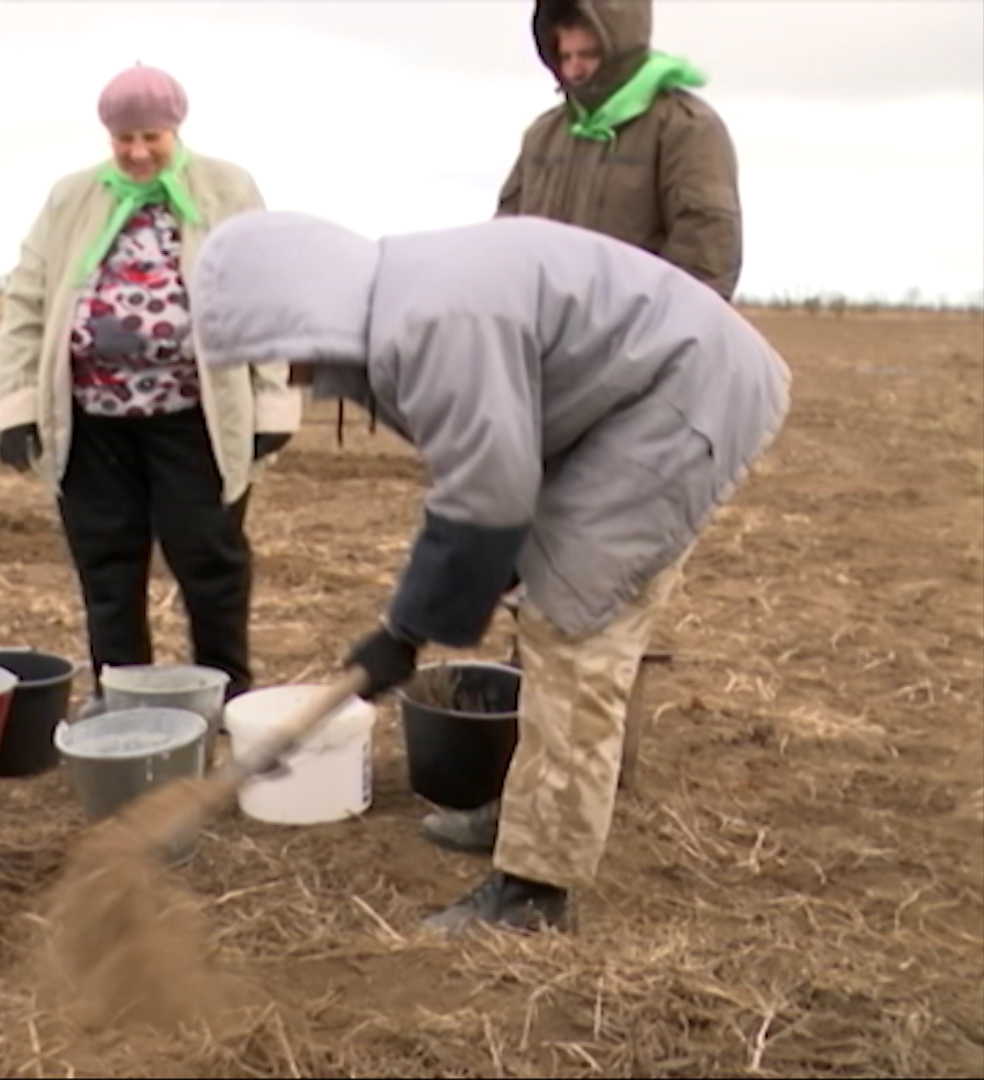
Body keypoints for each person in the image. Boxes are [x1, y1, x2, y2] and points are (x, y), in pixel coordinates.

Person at [188, 208, 790, 935]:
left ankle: (537, 886)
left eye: (275, 346)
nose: (285, 372)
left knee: (575, 628)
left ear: (306, 308)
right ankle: (531, 813)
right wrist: (437, 608)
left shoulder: (436, 324)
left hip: (679, 402)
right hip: (622, 404)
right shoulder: (409, 302)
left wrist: (403, 632)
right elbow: (485, 471)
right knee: (543, 603)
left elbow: (487, 491)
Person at [463, 0, 746, 854]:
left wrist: (617, 373)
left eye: (588, 47)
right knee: (538, 610)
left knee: (590, 618)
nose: (575, 63)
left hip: (634, 408)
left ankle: (563, 825)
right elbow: (506, 247)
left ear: (624, 40)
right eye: (562, 47)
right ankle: (533, 796)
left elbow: (706, 264)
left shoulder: (684, 129)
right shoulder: (547, 134)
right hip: (543, 402)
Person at [0, 62, 301, 708]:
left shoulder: (225, 187)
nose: (136, 152)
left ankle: (227, 698)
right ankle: (122, 698)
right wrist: (17, 406)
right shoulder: (71, 197)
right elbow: (27, 297)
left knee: (209, 560)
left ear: (174, 130)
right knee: (106, 566)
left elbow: (266, 291)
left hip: (194, 415)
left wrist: (272, 402)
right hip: (91, 419)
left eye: (149, 137)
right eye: (123, 139)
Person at [496, 0, 744, 301]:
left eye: (588, 55)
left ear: (619, 48)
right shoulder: (544, 136)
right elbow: (506, 239)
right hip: (547, 336)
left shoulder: (684, 128)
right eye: (566, 56)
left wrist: (661, 336)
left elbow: (706, 246)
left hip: (637, 336)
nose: (574, 69)